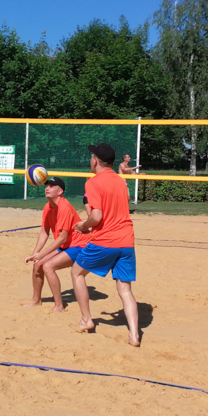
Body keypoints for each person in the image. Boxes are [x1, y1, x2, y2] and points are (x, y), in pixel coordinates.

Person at [70, 143, 141, 346]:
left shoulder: (93, 183)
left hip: (106, 240)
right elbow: (123, 201)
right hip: (127, 240)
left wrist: (84, 226)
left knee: (77, 273)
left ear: (95, 161)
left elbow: (96, 216)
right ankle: (134, 335)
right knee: (125, 289)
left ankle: (86, 320)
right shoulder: (120, 181)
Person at [23, 177, 90, 312]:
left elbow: (62, 238)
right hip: (67, 245)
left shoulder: (64, 207)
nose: (47, 188)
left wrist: (42, 254)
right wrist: (35, 253)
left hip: (80, 245)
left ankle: (59, 306)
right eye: (47, 186)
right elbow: (44, 233)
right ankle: (36, 300)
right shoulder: (48, 207)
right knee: (37, 264)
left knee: (48, 266)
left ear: (60, 191)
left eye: (52, 186)